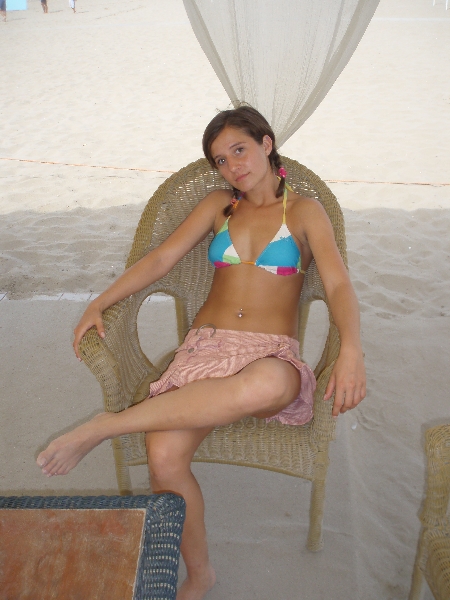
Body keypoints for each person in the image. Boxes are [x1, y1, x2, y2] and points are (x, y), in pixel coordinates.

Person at [37, 105, 366, 600]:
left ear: (267, 144)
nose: (233, 166)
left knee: (268, 383)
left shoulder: (303, 211)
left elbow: (338, 284)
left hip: (269, 354)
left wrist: (352, 349)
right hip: (206, 349)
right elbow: (161, 258)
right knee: (163, 455)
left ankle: (106, 425)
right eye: (221, 160)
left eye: (240, 149)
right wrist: (99, 302)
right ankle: (200, 573)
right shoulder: (218, 206)